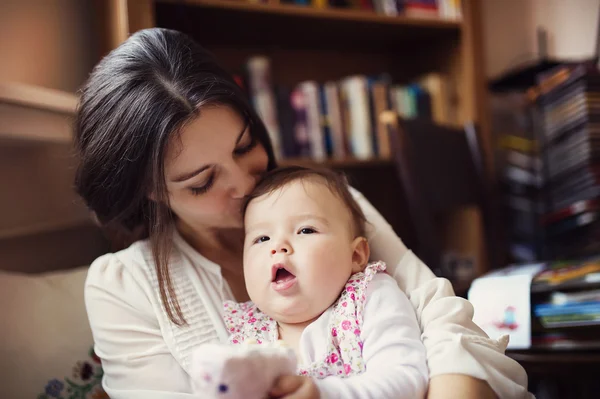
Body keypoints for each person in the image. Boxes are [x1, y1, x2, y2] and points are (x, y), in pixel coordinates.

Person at [77, 27, 531, 399]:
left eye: (245, 146)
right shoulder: (122, 286)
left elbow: (443, 324)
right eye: (202, 181)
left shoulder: (325, 207)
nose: (243, 183)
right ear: (150, 190)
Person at [220, 166, 428, 398]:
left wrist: (324, 394)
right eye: (262, 238)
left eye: (306, 230)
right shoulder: (246, 331)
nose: (277, 246)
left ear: (356, 256)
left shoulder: (368, 297)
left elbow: (406, 378)